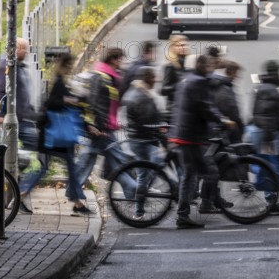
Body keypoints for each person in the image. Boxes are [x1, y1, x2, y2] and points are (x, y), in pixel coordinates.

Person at [19, 53, 90, 216]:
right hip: (54, 136)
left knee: (64, 167)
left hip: (56, 136)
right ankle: (22, 194)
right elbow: (52, 104)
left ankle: (77, 202)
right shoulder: (58, 82)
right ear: (64, 66)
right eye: (70, 66)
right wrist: (68, 100)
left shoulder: (61, 82)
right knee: (50, 168)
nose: (71, 69)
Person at [169, 55, 234, 229]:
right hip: (189, 136)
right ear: (202, 66)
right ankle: (185, 213)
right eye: (210, 66)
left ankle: (195, 205)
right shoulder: (198, 82)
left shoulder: (187, 79)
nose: (212, 69)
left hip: (183, 133)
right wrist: (222, 120)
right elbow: (205, 107)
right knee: (199, 174)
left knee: (192, 174)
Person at [68, 48, 134, 204]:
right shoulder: (102, 77)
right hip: (101, 130)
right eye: (120, 59)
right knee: (114, 161)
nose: (121, 63)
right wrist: (98, 127)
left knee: (103, 161)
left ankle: (74, 192)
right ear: (113, 59)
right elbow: (96, 103)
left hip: (103, 128)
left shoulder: (109, 76)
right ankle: (134, 191)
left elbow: (108, 104)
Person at [0, 38, 40, 212]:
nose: (26, 52)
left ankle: (17, 187)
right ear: (15, 49)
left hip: (23, 120)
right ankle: (15, 190)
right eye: (23, 49)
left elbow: (23, 95)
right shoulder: (7, 67)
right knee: (36, 157)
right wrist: (0, 116)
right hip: (13, 121)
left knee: (32, 155)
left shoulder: (20, 68)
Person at [245, 60, 279, 213]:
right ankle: (271, 200)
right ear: (275, 73)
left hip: (268, 132)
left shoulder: (264, 88)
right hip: (272, 134)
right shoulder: (270, 90)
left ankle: (270, 197)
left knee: (267, 165)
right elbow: (268, 115)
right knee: (272, 166)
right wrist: (269, 139)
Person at [121, 66, 163, 219]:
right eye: (153, 77)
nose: (156, 80)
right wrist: (160, 132)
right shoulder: (140, 96)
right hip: (143, 141)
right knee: (154, 167)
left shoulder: (138, 92)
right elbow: (147, 121)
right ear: (146, 78)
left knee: (143, 174)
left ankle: (139, 208)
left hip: (139, 139)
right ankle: (141, 196)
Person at [211, 60, 244, 143]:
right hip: (229, 129)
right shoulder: (224, 87)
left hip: (222, 127)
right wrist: (240, 124)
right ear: (232, 72)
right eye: (236, 73)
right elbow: (229, 108)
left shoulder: (219, 85)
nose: (237, 76)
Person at [161, 35, 189, 123]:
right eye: (179, 45)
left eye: (184, 45)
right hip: (174, 109)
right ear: (172, 48)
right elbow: (164, 90)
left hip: (187, 107)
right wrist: (180, 84)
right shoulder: (171, 65)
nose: (183, 47)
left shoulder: (188, 62)